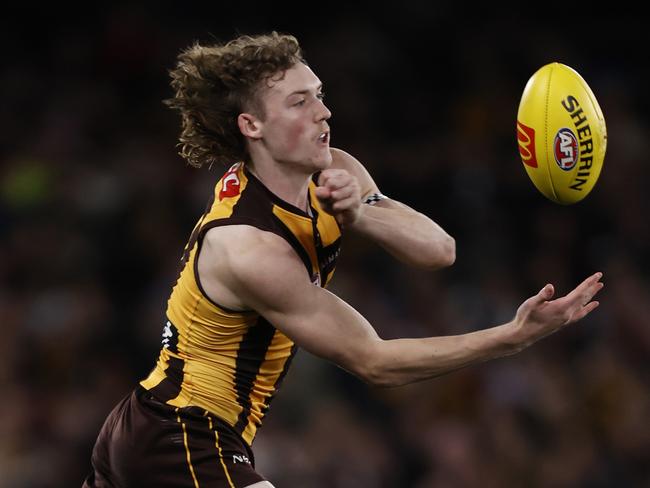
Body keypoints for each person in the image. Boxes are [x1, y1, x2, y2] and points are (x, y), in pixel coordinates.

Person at [82, 32, 604, 488]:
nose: (324, 112)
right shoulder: (247, 246)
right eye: (299, 102)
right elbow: (373, 362)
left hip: (154, 429)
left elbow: (439, 251)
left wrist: (360, 213)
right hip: (180, 434)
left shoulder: (334, 168)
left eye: (321, 95)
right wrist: (512, 337)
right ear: (252, 126)